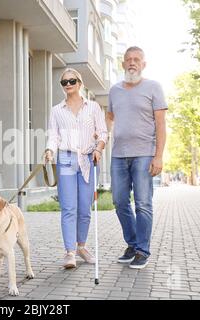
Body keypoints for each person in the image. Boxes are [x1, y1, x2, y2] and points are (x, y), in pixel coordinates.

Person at [107, 47, 168, 269]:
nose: (132, 63)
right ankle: (133, 244)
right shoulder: (114, 91)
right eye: (128, 60)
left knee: (143, 204)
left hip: (144, 154)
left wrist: (158, 156)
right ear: (122, 64)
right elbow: (110, 118)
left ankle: (142, 250)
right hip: (118, 155)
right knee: (119, 201)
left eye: (136, 60)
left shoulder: (153, 87)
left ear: (143, 64)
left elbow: (161, 124)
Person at [45, 68, 108, 269]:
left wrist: (99, 148)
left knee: (84, 209)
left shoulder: (94, 107)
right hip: (65, 159)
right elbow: (53, 135)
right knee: (69, 208)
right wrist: (49, 150)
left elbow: (103, 132)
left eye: (72, 80)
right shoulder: (56, 110)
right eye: (64, 82)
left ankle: (82, 247)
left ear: (80, 83)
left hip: (88, 159)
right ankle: (70, 252)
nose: (68, 84)